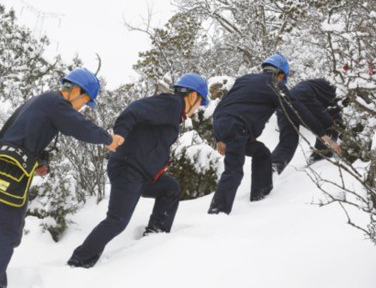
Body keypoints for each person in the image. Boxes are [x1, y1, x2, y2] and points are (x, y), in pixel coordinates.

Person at [0, 68, 124, 288]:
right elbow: (79, 126)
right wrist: (108, 139)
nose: (82, 108)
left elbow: (19, 133)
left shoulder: (41, 101)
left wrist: (38, 162)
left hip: (3, 166)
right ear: (76, 90)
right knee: (9, 231)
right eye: (85, 101)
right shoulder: (56, 102)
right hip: (8, 170)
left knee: (10, 228)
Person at [67, 73, 209, 268]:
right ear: (192, 96)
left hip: (140, 173)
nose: (197, 108)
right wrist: (121, 134)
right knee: (117, 220)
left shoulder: (173, 112)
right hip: (129, 169)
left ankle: (155, 235)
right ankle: (79, 261)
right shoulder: (171, 104)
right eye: (200, 101)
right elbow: (133, 111)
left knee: (170, 188)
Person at [208, 54, 342, 215]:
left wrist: (219, 138)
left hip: (223, 124)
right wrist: (323, 135)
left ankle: (259, 197)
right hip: (237, 127)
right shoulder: (274, 85)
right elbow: (297, 110)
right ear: (280, 75)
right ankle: (217, 212)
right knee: (234, 170)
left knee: (261, 153)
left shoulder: (244, 79)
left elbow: (220, 108)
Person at [271, 78, 342, 174]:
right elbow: (331, 112)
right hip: (303, 97)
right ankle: (320, 158)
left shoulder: (317, 84)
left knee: (288, 139)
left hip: (284, 101)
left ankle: (273, 165)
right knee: (329, 125)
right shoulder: (338, 89)